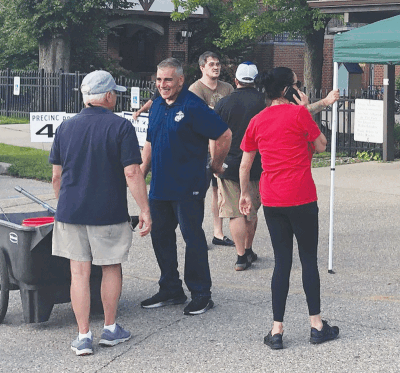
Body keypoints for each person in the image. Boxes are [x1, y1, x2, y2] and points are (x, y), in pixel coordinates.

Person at [49, 70, 152, 356]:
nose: (116, 97)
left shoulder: (65, 128)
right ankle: (110, 328)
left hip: (71, 212)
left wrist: (64, 204)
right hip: (108, 211)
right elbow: (132, 172)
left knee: (78, 273)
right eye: (114, 93)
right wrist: (144, 209)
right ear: (107, 96)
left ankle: (83, 336)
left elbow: (56, 177)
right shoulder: (120, 127)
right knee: (111, 267)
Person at [239, 67, 339, 349]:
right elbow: (320, 146)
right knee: (308, 259)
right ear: (288, 90)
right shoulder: (299, 114)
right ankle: (316, 324)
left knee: (282, 261)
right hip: (302, 196)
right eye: (296, 85)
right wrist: (306, 110)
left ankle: (277, 329)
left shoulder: (257, 120)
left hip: (272, 199)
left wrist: (245, 194)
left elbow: (245, 164)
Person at [140, 58, 232, 315]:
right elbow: (149, 141)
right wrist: (141, 172)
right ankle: (170, 288)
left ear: (181, 80)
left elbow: (224, 134)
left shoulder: (193, 106)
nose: (162, 84)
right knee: (160, 236)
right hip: (159, 185)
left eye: (168, 79)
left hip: (187, 185)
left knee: (192, 238)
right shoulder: (157, 105)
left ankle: (201, 293)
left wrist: (216, 165)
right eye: (159, 80)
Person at [214, 62, 265, 271]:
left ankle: (240, 256)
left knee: (235, 212)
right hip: (258, 163)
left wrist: (215, 162)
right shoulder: (265, 102)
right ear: (256, 81)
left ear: (236, 81)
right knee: (251, 210)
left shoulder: (223, 103)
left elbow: (215, 136)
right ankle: (249, 248)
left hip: (229, 163)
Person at [189, 51, 235, 247]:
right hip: (202, 148)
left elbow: (233, 111)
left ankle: (218, 233)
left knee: (219, 192)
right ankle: (195, 235)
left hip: (224, 145)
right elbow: (200, 116)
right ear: (202, 68)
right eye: (211, 64)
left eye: (217, 64)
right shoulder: (195, 89)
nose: (216, 67)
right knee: (199, 193)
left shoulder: (228, 88)